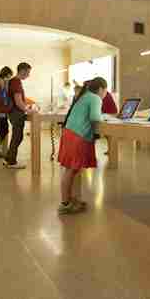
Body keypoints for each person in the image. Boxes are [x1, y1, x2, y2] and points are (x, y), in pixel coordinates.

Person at [57, 77, 108, 215]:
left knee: (72, 169)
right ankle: (65, 203)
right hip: (78, 136)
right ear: (101, 89)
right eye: (105, 91)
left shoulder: (84, 96)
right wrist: (104, 117)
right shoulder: (95, 98)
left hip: (70, 133)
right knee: (71, 170)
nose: (105, 94)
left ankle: (71, 200)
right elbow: (95, 117)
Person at [2, 62, 33, 169]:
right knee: (17, 137)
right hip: (16, 113)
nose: (28, 75)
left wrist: (26, 105)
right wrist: (28, 110)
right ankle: (11, 162)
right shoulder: (16, 82)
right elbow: (18, 101)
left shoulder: (12, 81)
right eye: (28, 72)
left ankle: (8, 159)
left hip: (12, 113)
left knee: (16, 136)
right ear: (23, 71)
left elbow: (19, 99)